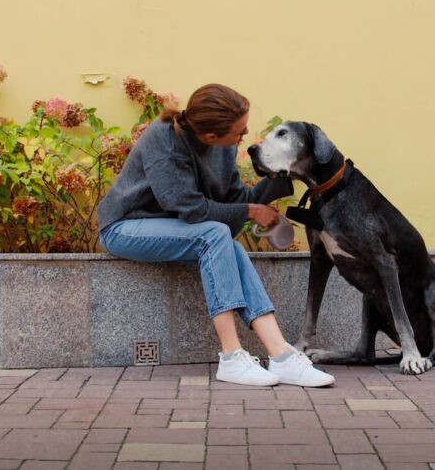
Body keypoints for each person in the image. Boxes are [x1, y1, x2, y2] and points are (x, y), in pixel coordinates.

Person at [98, 83, 334, 387]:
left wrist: (281, 176)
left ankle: (281, 355)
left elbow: (232, 201)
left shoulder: (222, 148)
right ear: (211, 135)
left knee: (227, 244)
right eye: (239, 132)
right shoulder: (164, 140)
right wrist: (251, 211)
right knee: (213, 233)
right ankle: (231, 355)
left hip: (181, 231)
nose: (245, 136)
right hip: (126, 227)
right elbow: (191, 209)